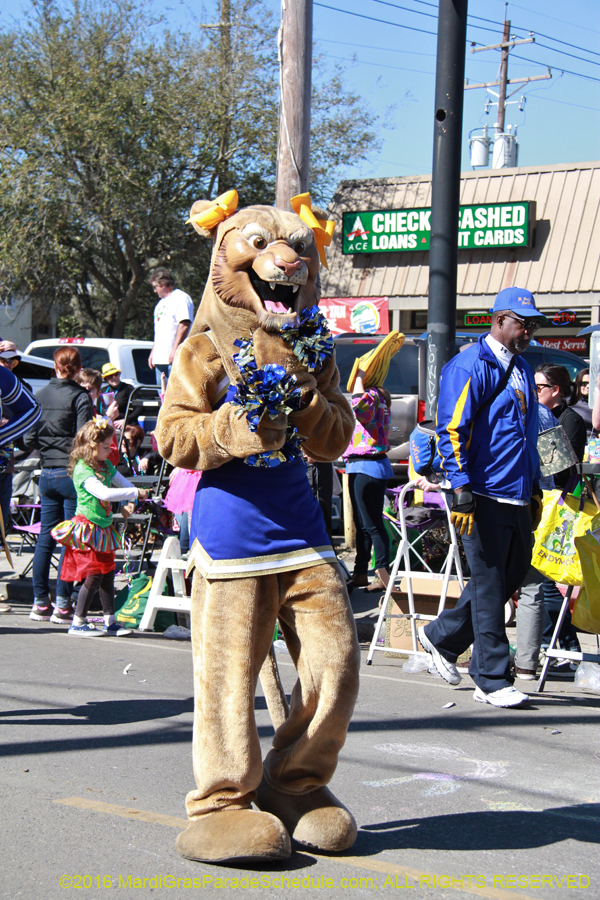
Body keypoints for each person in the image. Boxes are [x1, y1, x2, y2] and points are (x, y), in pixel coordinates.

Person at [418, 287, 546, 709]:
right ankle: (490, 677)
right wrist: (460, 490)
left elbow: (527, 434)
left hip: (515, 493)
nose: (527, 331)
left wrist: (533, 490)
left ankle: (442, 636)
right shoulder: (471, 364)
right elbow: (451, 430)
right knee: (490, 584)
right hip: (482, 492)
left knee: (510, 575)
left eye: (532, 325)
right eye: (521, 323)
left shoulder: (522, 367)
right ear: (498, 321)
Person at [52, 417, 148, 636]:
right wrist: (134, 493)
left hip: (103, 528)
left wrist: (130, 501)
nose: (109, 451)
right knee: (94, 574)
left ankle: (110, 621)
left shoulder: (105, 465)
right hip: (88, 527)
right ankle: (78, 622)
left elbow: (123, 483)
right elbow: (104, 493)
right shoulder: (82, 469)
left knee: (108, 574)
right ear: (91, 446)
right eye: (106, 447)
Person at [24, 347, 93, 624]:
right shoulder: (80, 396)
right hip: (70, 473)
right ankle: (62, 603)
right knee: (69, 539)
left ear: (55, 366)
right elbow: (84, 438)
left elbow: (28, 439)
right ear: (78, 369)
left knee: (45, 539)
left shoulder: (39, 396)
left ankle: (40, 602)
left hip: (46, 472)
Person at [534, 363, 586, 669]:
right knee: (543, 580)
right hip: (542, 503)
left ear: (555, 390)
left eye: (539, 387)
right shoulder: (543, 416)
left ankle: (562, 647)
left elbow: (563, 469)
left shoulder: (570, 419)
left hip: (561, 507)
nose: (534, 392)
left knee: (549, 580)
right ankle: (559, 646)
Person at [343, 368, 393, 593]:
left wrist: (361, 378)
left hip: (368, 465)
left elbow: (358, 404)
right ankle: (360, 573)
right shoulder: (378, 396)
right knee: (362, 525)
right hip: (361, 465)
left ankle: (383, 575)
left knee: (372, 524)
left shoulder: (371, 396)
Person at [148, 268, 193, 382]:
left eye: (155, 287)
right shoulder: (159, 305)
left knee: (177, 395)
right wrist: (153, 353)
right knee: (163, 395)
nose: (154, 291)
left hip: (175, 358)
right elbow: (158, 331)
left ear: (162, 285)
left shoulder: (181, 298)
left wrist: (175, 350)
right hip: (160, 359)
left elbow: (184, 324)